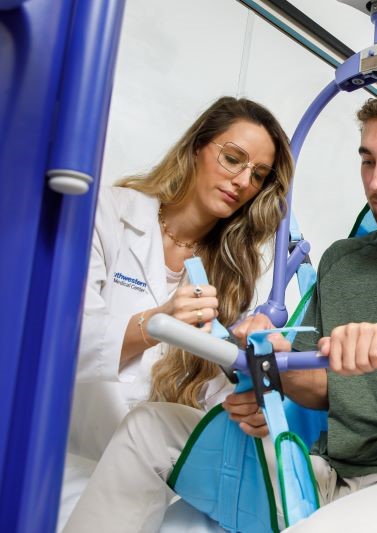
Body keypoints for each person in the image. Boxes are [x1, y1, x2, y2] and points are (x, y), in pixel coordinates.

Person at [63, 87, 377, 532]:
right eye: (367, 161)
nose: (376, 182)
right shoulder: (342, 261)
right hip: (327, 471)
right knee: (149, 427)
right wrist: (271, 366)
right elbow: (320, 388)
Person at [69, 96, 294, 461]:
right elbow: (63, 345)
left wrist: (248, 402)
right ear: (196, 148)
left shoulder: (228, 273)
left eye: (257, 175)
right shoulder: (107, 213)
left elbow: (202, 396)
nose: (241, 182)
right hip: (66, 455)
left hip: (149, 469)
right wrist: (158, 323)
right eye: (233, 158)